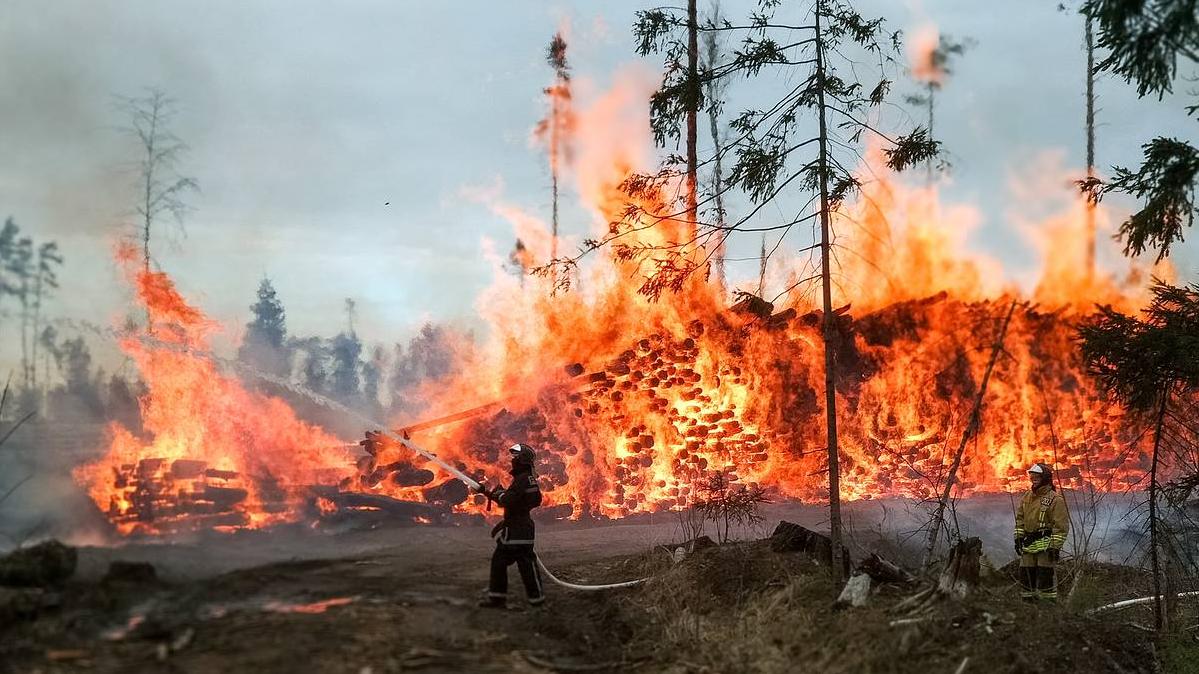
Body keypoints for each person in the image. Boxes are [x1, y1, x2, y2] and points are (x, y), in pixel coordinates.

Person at [476, 443, 544, 609]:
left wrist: (498, 494)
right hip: (522, 528)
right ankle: (537, 600)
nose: (513, 461)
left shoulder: (522, 480)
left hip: (515, 532)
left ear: (522, 460)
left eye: (516, 458)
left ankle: (498, 599)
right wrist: (489, 493)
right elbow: (525, 501)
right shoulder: (528, 479)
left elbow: (508, 500)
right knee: (526, 564)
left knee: (501, 561)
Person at [1014, 462, 1069, 602]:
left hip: (1045, 547)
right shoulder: (1027, 496)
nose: (1033, 479)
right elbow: (1020, 519)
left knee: (1045, 578)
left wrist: (1055, 547)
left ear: (1045, 478)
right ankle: (1028, 607)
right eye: (1032, 477)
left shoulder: (1055, 499)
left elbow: (1060, 526)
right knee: (1026, 577)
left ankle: (1047, 607)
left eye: (1037, 477)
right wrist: (1018, 538)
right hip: (1028, 544)